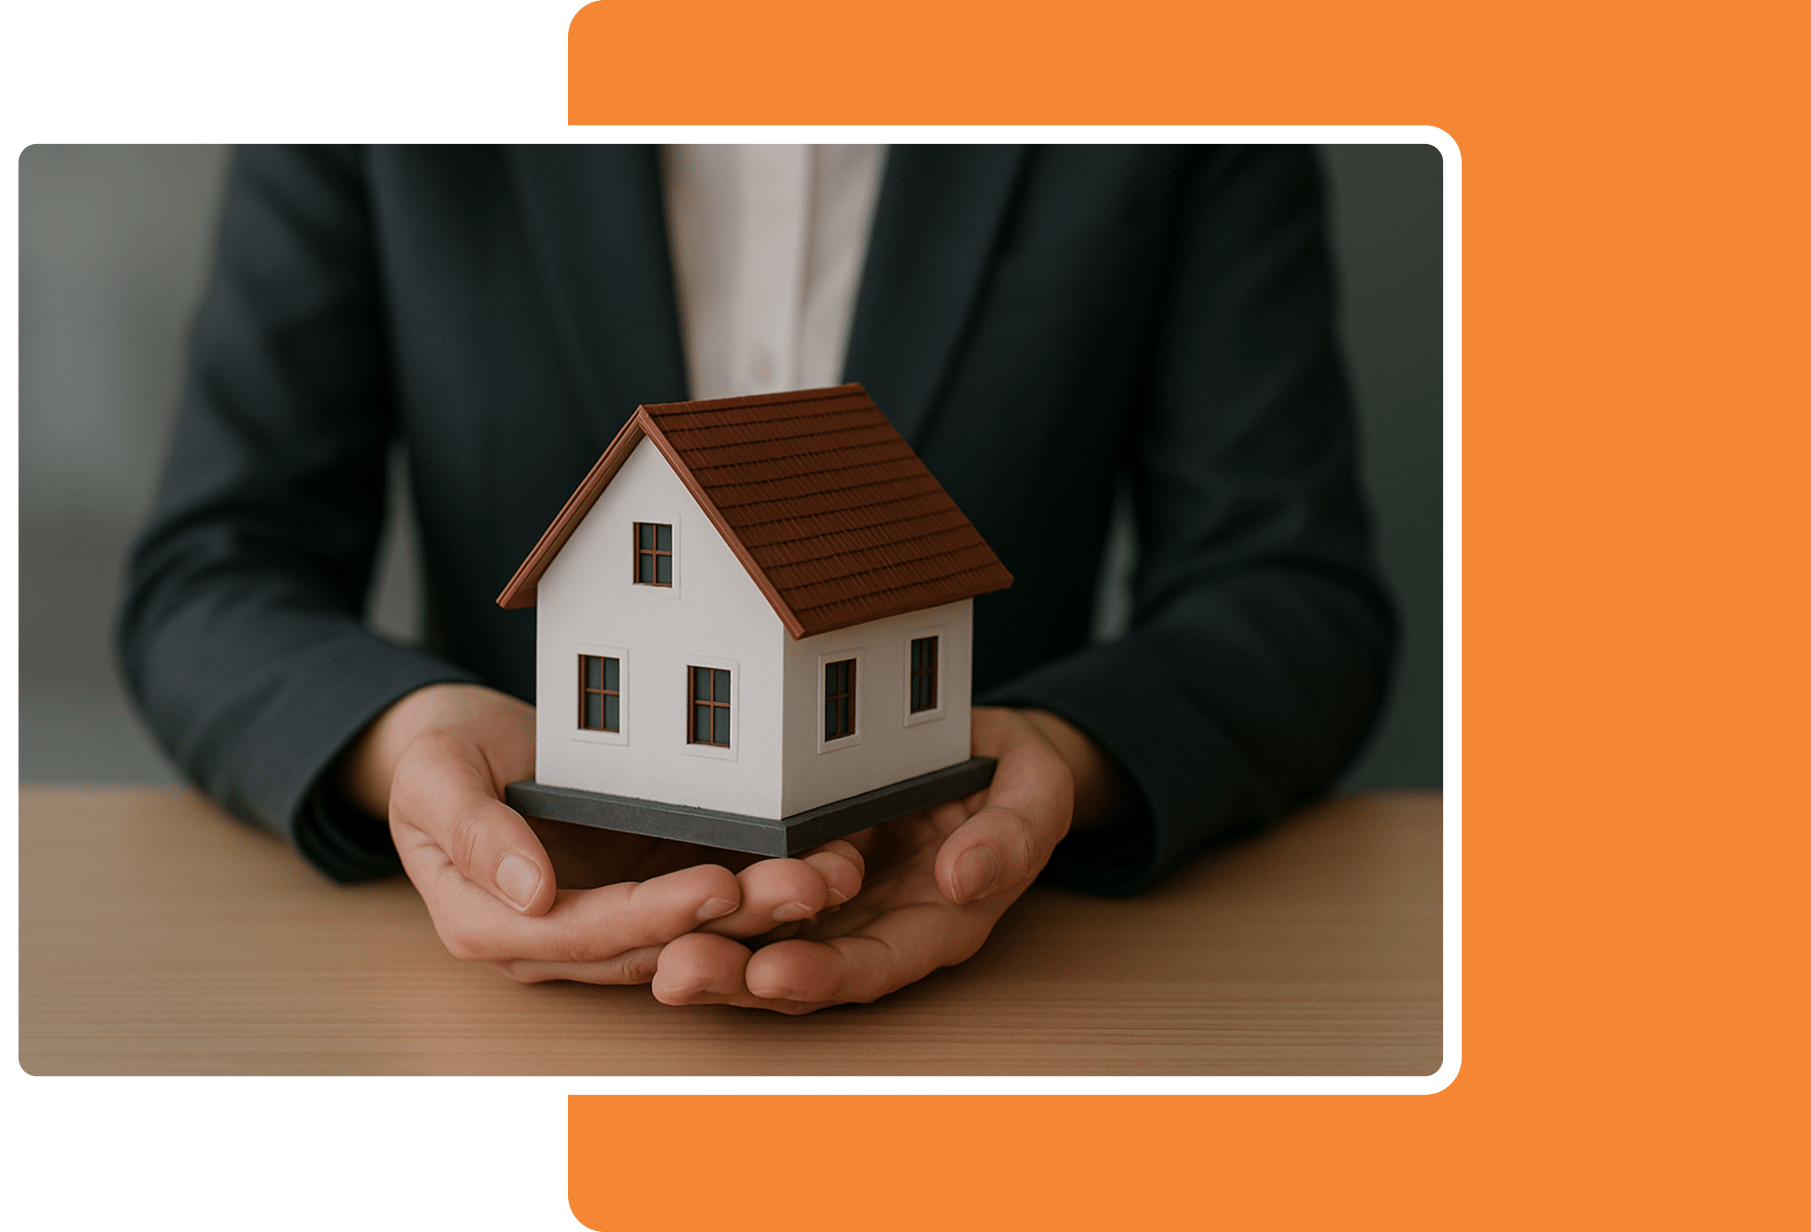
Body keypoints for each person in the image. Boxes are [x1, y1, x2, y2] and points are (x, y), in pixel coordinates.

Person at [120, 144, 1392, 1014]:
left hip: (1015, 983)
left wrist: (1059, 755)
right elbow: (214, 571)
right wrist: (406, 747)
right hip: (502, 1012)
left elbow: (1289, 592)